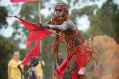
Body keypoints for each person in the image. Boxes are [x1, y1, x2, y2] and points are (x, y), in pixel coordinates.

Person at [39, 3, 92, 79]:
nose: (57, 12)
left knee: (69, 73)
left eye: (59, 10)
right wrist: (40, 25)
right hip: (73, 51)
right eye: (56, 10)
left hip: (82, 51)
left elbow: (61, 27)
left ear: (64, 11)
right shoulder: (57, 19)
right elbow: (49, 22)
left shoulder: (68, 23)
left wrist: (46, 26)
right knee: (71, 75)